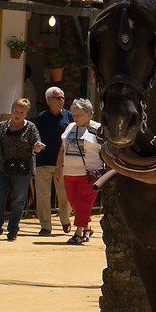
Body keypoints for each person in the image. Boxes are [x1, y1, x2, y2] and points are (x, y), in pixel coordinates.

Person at [0, 97, 43, 240]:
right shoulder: (2, 126)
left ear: (26, 114)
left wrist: (38, 147)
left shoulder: (31, 128)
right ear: (11, 110)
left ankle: (13, 229)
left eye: (21, 112)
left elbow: (36, 145)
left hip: (22, 170)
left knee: (18, 200)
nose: (18, 114)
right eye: (16, 111)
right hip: (2, 168)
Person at [60, 98, 105, 245]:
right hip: (69, 171)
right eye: (73, 114)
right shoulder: (70, 127)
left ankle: (78, 233)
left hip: (90, 173)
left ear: (88, 114)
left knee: (84, 204)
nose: (74, 117)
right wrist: (57, 167)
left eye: (77, 115)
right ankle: (87, 226)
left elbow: (106, 150)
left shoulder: (97, 129)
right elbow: (62, 148)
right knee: (74, 202)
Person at [29, 86, 72, 238]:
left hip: (63, 164)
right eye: (58, 98)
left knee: (65, 195)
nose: (62, 101)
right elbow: (34, 137)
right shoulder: (41, 118)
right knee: (43, 196)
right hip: (43, 162)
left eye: (63, 98)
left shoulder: (69, 116)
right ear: (48, 101)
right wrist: (36, 145)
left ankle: (65, 220)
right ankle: (45, 226)